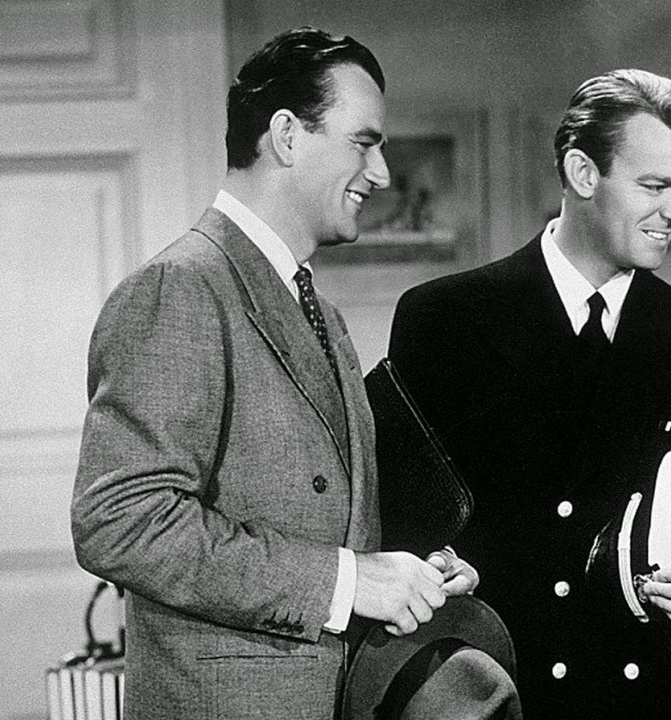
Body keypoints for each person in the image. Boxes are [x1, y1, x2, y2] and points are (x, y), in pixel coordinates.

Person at [71, 28, 490, 720]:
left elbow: (322, 515)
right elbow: (120, 521)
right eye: (364, 143)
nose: (382, 174)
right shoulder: (181, 288)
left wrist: (414, 569)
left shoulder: (318, 309)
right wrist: (349, 582)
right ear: (288, 136)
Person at [387, 68, 671, 719]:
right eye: (656, 186)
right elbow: (402, 522)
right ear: (583, 173)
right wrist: (449, 563)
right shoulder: (443, 322)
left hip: (651, 702)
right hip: (500, 696)